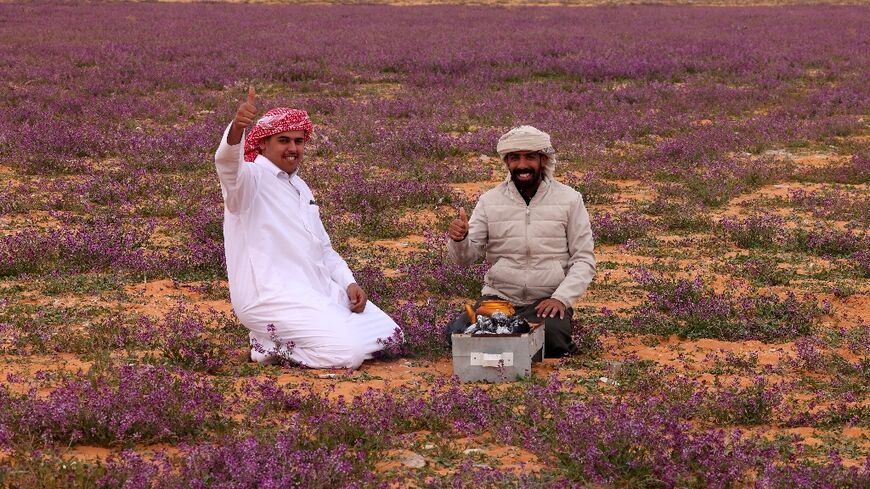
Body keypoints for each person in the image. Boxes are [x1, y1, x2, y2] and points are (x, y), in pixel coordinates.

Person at [214, 87, 401, 369]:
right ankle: (268, 345)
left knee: (393, 338)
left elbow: (323, 248)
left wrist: (348, 281)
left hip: (316, 291)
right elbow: (227, 164)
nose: (293, 148)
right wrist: (237, 129)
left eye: (299, 141)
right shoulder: (248, 181)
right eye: (284, 140)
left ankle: (321, 335)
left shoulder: (299, 186)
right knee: (347, 354)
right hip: (270, 297)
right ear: (263, 144)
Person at [445, 125, 596, 357]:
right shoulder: (489, 201)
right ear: (506, 162)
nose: (522, 165)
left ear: (543, 159)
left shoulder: (570, 200)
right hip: (499, 299)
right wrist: (460, 239)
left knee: (554, 339)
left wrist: (561, 298)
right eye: (515, 158)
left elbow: (584, 260)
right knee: (456, 333)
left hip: (545, 301)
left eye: (530, 157)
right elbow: (465, 258)